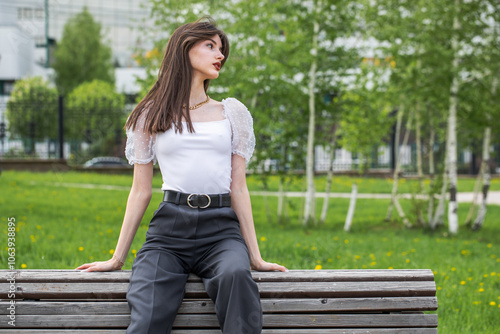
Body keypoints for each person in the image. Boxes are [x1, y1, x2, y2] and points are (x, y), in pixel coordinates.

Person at [76, 16, 287, 334]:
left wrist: (255, 257)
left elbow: (239, 188)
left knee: (236, 278)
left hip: (221, 231)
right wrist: (117, 258)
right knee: (147, 316)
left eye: (222, 49)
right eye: (211, 46)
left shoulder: (232, 113)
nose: (220, 55)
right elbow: (140, 191)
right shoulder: (152, 114)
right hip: (168, 233)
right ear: (186, 49)